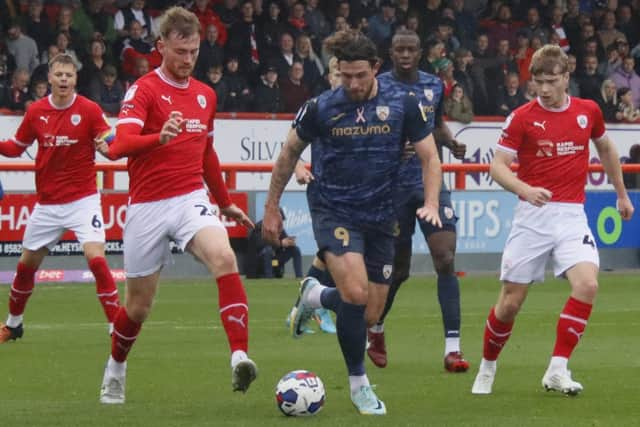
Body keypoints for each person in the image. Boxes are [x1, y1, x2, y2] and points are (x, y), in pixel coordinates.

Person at [262, 30, 442, 415]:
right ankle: (359, 385)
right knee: (356, 295)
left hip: (382, 215)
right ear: (337, 72)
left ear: (376, 68)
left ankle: (313, 296)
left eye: (361, 75)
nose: (354, 84)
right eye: (346, 76)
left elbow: (429, 157)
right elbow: (288, 153)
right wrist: (272, 207)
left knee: (371, 312)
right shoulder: (321, 107)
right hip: (335, 210)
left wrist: (430, 202)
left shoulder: (404, 104)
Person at [95, 7, 257, 405]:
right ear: (161, 46)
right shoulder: (144, 91)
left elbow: (206, 154)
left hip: (190, 199)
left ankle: (239, 356)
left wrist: (225, 203)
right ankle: (116, 366)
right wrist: (158, 138)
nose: (188, 60)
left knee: (224, 257)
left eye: (194, 52)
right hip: (147, 206)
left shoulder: (206, 95)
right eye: (181, 51)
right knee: (138, 307)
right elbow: (117, 146)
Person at [471, 45, 634, 396]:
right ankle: (487, 366)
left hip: (572, 214)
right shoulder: (522, 117)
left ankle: (557, 369)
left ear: (566, 77)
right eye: (538, 81)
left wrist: (621, 193)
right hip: (532, 216)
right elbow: (497, 166)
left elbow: (606, 149)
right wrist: (525, 189)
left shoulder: (587, 111)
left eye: (551, 81)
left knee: (588, 285)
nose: (543, 89)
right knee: (510, 303)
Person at [0, 53, 121, 343]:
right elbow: (16, 148)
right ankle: (13, 325)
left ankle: (117, 326)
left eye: (69, 75)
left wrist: (110, 148)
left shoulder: (90, 110)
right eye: (59, 75)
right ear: (49, 79)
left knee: (97, 261)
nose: (64, 79)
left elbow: (112, 142)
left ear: (75, 78)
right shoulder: (36, 112)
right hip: (48, 203)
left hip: (83, 200)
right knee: (25, 266)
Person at [367, 30, 469, 372]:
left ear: (421, 52)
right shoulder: (377, 86)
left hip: (429, 183)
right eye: (400, 49)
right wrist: (396, 148)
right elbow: (371, 131)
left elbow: (435, 125)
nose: (406, 54)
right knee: (398, 270)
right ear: (391, 52)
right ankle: (377, 328)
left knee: (445, 256)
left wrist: (450, 142)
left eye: (411, 49)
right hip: (392, 187)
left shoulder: (434, 85)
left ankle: (452, 349)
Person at [246, 208, 303, 279]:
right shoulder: (259, 228)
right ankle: (269, 278)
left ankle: (299, 277)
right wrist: (281, 243)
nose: (281, 223)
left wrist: (289, 242)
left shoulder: (279, 229)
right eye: (279, 221)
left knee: (295, 249)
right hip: (259, 265)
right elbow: (260, 246)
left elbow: (284, 241)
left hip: (274, 262)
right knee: (268, 250)